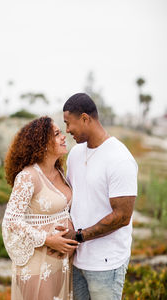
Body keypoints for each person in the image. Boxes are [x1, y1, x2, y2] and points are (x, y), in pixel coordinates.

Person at [60, 93, 138, 300]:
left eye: (69, 123)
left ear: (85, 118)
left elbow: (122, 216)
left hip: (106, 263)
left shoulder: (120, 159)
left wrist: (78, 236)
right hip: (77, 260)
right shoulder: (76, 154)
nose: (67, 131)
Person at [2, 116, 78, 300]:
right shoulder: (28, 177)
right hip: (37, 263)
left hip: (61, 262)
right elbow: (11, 221)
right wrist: (48, 240)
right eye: (57, 134)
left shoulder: (59, 171)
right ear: (41, 143)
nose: (63, 137)